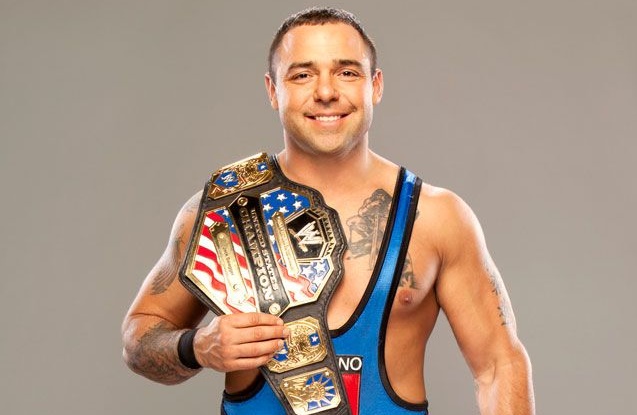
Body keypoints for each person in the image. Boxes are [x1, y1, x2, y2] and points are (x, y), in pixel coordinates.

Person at [122, 7, 535, 415]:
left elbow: (499, 365)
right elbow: (139, 337)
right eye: (302, 75)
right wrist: (197, 347)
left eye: (346, 72)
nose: (325, 92)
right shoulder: (223, 212)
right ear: (272, 90)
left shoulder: (436, 218)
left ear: (375, 86)